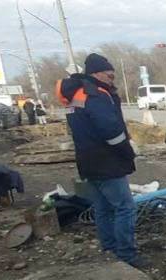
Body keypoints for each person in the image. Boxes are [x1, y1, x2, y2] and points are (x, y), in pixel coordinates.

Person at [57, 53, 147, 268]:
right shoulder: (95, 95)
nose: (112, 79)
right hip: (107, 160)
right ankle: (126, 255)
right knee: (125, 207)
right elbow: (110, 130)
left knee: (103, 208)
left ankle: (109, 249)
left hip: (87, 159)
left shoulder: (75, 94)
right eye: (110, 75)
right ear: (97, 73)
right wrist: (127, 150)